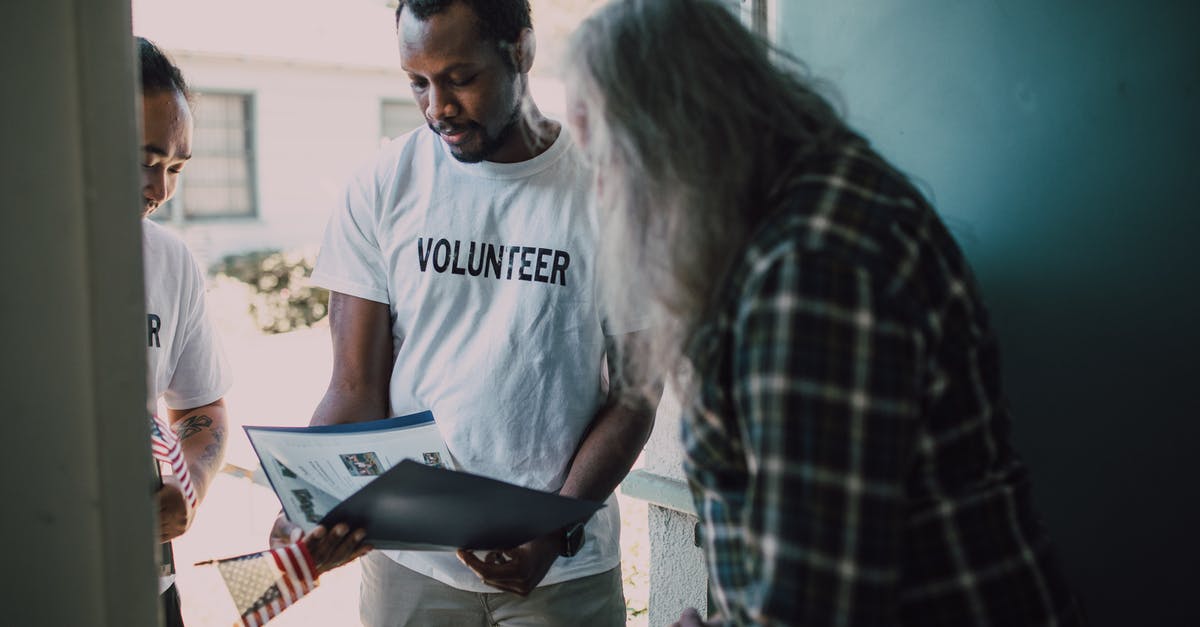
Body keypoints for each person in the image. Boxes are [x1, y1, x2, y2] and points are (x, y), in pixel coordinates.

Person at [563, 1, 1085, 626]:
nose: (601, 193)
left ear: (673, 138)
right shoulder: (800, 203)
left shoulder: (810, 274)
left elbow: (817, 610)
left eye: (607, 161)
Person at [268, 1, 657, 625]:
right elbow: (353, 385)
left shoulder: (611, 190)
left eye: (460, 78)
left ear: (522, 52)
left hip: (562, 567)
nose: (436, 107)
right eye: (417, 82)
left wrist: (554, 529)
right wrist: (310, 500)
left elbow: (638, 392)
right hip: (410, 564)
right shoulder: (382, 185)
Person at [136, 37, 232, 626]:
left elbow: (203, 406)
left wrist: (189, 484)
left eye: (174, 167)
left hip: (146, 565)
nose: (162, 189)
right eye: (144, 161)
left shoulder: (170, 261)